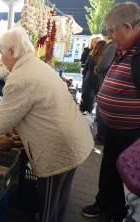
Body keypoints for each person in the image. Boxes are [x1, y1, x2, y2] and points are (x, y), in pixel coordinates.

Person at [0, 27, 94, 222]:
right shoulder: (36, 66)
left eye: (2, 52)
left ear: (12, 52)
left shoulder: (20, 78)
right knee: (59, 197)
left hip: (58, 147)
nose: (1, 57)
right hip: (72, 138)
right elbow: (19, 110)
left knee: (49, 204)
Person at [82, 3, 140, 221]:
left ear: (127, 26)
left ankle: (117, 212)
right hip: (115, 129)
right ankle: (104, 204)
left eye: (112, 30)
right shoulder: (123, 47)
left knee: (127, 175)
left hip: (133, 133)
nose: (110, 35)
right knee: (109, 169)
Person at [93, 40, 117, 144]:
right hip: (110, 84)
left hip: (107, 84)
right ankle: (102, 136)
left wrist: (96, 69)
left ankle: (101, 137)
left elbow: (102, 65)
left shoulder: (113, 46)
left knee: (101, 112)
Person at [80, 40, 107, 113]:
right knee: (92, 104)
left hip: (89, 81)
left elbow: (86, 68)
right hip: (99, 82)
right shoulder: (105, 59)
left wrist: (84, 78)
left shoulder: (91, 56)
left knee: (86, 103)